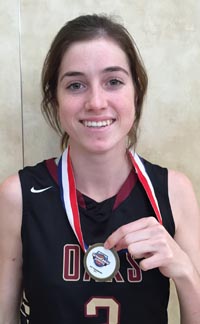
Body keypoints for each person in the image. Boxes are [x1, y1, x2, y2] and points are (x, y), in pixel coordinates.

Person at [0, 14, 200, 324]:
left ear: (137, 92)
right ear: (55, 100)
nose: (96, 102)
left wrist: (185, 271)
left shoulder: (174, 191)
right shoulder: (19, 195)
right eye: (76, 84)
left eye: (114, 82)